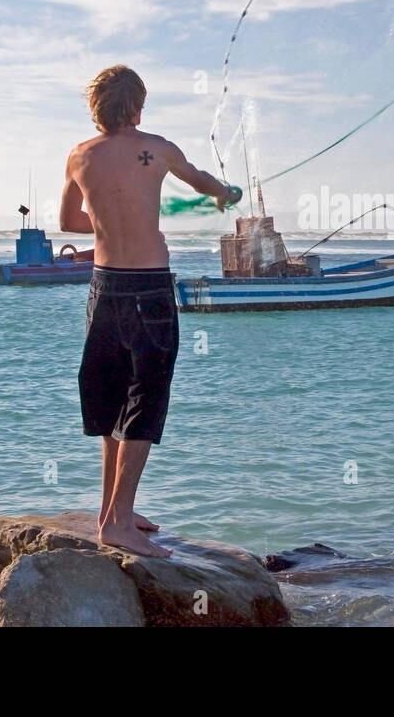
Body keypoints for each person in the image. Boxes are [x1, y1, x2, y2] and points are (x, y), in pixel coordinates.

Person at [60, 65, 236, 557]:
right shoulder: (157, 148)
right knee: (145, 400)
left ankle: (111, 511)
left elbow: (69, 220)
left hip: (103, 288)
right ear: (137, 106)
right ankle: (117, 523)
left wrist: (107, 213)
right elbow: (202, 183)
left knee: (113, 397)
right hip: (149, 290)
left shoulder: (79, 155)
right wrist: (224, 194)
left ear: (97, 108)